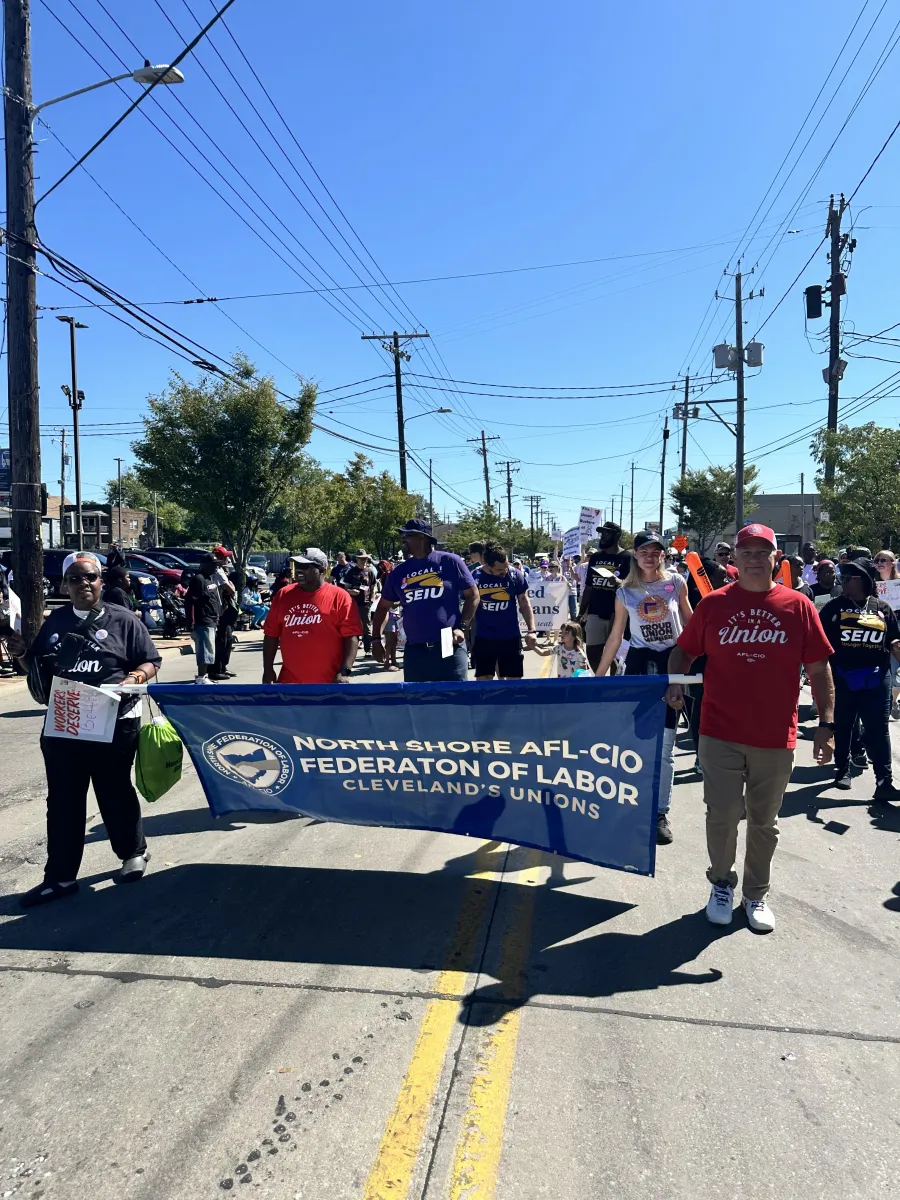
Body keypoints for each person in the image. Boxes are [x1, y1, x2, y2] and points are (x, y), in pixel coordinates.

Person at [665, 523, 835, 933]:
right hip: (719, 729)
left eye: (763, 551)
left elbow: (818, 667)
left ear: (777, 558)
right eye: (747, 551)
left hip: (775, 734)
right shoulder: (714, 605)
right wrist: (675, 681)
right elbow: (684, 651)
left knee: (764, 821)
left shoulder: (798, 606)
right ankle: (721, 884)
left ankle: (756, 894)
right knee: (721, 815)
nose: (755, 557)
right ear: (734, 559)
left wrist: (827, 723)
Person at [4, 551, 162, 907]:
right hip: (65, 724)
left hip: (114, 723)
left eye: (90, 576)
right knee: (63, 802)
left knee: (114, 792)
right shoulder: (55, 622)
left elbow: (151, 659)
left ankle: (133, 853)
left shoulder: (124, 620)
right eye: (75, 578)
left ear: (100, 581)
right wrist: (19, 653)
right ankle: (60, 878)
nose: (83, 583)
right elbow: (37, 669)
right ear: (65, 585)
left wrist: (134, 677)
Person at [595, 533, 693, 844]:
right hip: (639, 668)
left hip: (671, 667)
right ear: (635, 555)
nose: (650, 556)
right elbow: (615, 638)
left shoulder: (676, 583)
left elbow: (691, 626)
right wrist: (598, 679)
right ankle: (632, 804)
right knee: (634, 742)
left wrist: (693, 668)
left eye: (656, 551)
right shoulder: (625, 592)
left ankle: (660, 812)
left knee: (664, 745)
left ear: (664, 555)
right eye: (644, 551)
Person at [818, 558, 900, 799]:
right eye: (842, 577)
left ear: (863, 579)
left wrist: (896, 646)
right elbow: (819, 640)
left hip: (877, 676)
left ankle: (884, 781)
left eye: (847, 577)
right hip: (842, 676)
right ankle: (843, 769)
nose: (842, 581)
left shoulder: (882, 607)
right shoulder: (833, 607)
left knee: (879, 729)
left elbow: (893, 639)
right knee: (844, 725)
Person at [372, 519, 479, 682]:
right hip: (415, 646)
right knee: (418, 702)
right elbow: (382, 607)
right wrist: (375, 640)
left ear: (422, 538)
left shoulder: (449, 561)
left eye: (407, 536)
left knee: (453, 699)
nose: (403, 541)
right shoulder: (399, 572)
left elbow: (473, 595)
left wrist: (462, 627)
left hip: (447, 641)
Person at [263, 548, 361, 684]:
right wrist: (268, 670)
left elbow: (351, 637)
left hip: (329, 684)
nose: (299, 570)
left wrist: (344, 672)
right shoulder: (283, 595)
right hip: (290, 683)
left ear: (321, 570)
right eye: (297, 566)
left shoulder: (340, 597)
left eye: (305, 567)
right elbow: (271, 635)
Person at [470, 541, 537, 680]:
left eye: (506, 566)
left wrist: (531, 631)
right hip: (484, 637)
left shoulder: (514, 575)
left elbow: (524, 603)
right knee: (484, 682)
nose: (505, 571)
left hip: (510, 637)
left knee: (513, 681)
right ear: (488, 566)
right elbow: (468, 605)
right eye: (500, 570)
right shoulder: (475, 577)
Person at [577, 521, 632, 673]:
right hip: (595, 611)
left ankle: (613, 683)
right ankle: (600, 678)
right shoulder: (595, 557)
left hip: (619, 613)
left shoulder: (627, 557)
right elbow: (589, 587)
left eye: (607, 533)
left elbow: (633, 586)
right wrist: (581, 612)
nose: (603, 536)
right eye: (602, 533)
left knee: (615, 654)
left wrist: (619, 582)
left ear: (617, 536)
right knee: (592, 651)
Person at [185, 554, 223, 683]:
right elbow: (190, 602)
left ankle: (204, 676)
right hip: (203, 620)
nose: (216, 567)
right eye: (213, 564)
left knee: (210, 649)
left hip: (211, 620)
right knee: (205, 650)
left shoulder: (209, 579)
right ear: (204, 565)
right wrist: (191, 622)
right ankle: (201, 677)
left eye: (216, 564)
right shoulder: (199, 579)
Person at [874, 550, 900, 718]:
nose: (880, 562)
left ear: (892, 563)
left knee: (897, 663)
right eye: (877, 560)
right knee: (887, 663)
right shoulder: (872, 585)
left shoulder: (898, 583)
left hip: (898, 624)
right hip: (881, 626)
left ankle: (894, 698)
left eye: (884, 559)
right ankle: (890, 700)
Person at [339, 550, 378, 655]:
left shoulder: (369, 571)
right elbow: (344, 588)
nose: (363, 560)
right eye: (361, 558)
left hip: (365, 604)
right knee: (353, 626)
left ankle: (368, 649)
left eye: (365, 558)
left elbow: (373, 586)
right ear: (357, 559)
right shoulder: (351, 572)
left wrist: (372, 598)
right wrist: (351, 591)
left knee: (367, 626)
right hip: (353, 603)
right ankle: (352, 650)